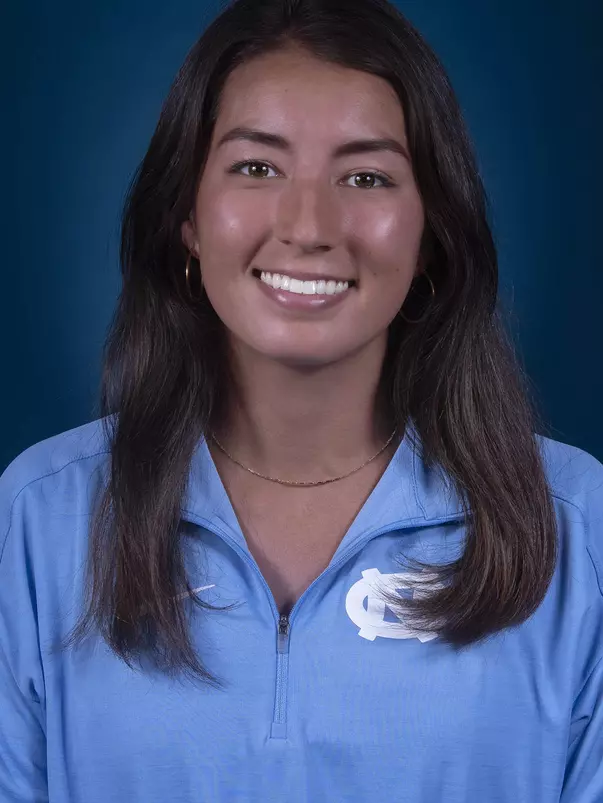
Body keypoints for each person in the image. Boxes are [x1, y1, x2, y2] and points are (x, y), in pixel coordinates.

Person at [1, 0, 602, 800]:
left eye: (365, 176)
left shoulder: (579, 527)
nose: (308, 225)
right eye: (256, 167)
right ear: (187, 216)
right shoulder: (37, 519)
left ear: (430, 233)